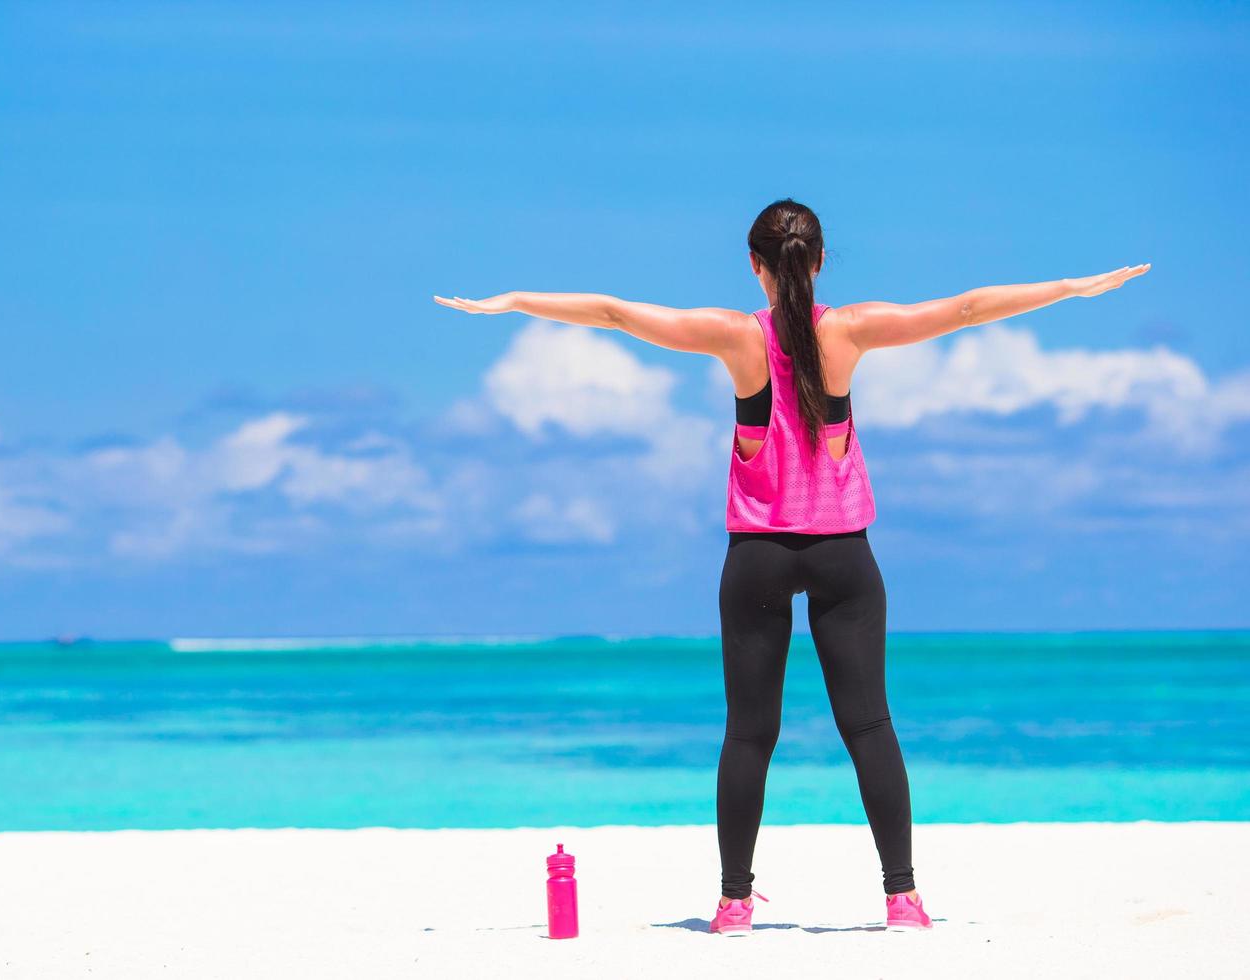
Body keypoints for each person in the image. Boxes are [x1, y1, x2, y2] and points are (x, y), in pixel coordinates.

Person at [434, 198, 1149, 934]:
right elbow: (966, 309)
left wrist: (516, 300)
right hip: (844, 554)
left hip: (758, 557)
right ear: (819, 261)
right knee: (869, 726)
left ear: (755, 265)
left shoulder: (736, 337)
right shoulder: (848, 330)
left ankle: (734, 904)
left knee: (749, 733)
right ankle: (901, 899)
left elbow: (616, 314)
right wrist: (1068, 288)